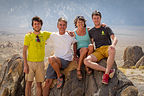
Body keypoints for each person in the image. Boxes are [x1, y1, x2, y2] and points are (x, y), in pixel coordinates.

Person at [43, 17, 76, 96]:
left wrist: (75, 55)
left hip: (65, 60)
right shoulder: (53, 35)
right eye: (60, 25)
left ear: (66, 26)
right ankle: (59, 75)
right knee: (47, 83)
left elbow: (75, 42)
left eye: (64, 25)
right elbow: (41, 34)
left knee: (51, 58)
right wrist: (31, 33)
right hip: (55, 60)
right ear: (57, 26)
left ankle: (59, 76)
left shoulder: (70, 35)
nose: (62, 27)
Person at [84, 10, 118, 84]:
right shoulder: (91, 31)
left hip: (107, 48)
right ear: (92, 19)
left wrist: (113, 45)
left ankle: (106, 75)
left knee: (112, 50)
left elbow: (115, 38)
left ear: (100, 18)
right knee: (86, 61)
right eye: (94, 18)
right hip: (98, 51)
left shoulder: (106, 28)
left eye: (97, 18)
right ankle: (108, 70)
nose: (96, 20)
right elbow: (91, 42)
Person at [23, 16, 51, 96]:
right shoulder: (28, 36)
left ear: (41, 25)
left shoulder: (44, 34)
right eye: (35, 24)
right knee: (28, 84)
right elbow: (24, 51)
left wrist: (68, 32)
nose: (37, 25)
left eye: (38, 24)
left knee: (39, 85)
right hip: (30, 63)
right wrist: (25, 65)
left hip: (40, 63)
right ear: (32, 25)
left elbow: (57, 34)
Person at [73, 16, 94, 80]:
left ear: (84, 23)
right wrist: (74, 55)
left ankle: (86, 64)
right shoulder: (74, 33)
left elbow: (96, 31)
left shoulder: (88, 30)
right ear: (76, 24)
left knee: (90, 46)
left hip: (89, 50)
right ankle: (79, 68)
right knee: (84, 49)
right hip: (80, 50)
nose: (80, 23)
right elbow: (74, 44)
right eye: (78, 22)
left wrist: (103, 25)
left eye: (82, 22)